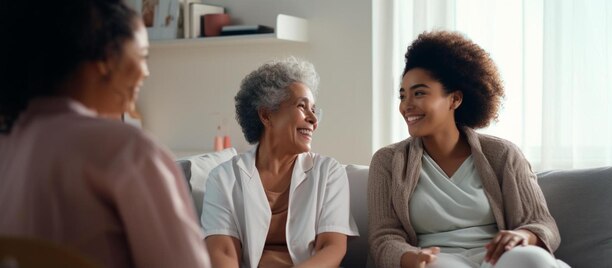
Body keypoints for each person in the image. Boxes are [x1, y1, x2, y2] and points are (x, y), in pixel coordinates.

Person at [0, 0, 209, 267]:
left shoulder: (7, 144)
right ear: (107, 58)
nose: (146, 72)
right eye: (143, 56)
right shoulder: (127, 150)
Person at [367, 31, 569, 268]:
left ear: (455, 99)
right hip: (435, 260)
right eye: (403, 96)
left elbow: (543, 224)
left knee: (532, 259)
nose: (406, 106)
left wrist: (524, 235)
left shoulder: (503, 155)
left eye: (419, 93)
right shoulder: (388, 161)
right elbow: (384, 237)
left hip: (499, 259)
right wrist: (412, 258)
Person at [201, 57, 359, 268]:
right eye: (302, 106)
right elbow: (223, 253)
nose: (313, 119)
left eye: (314, 109)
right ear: (267, 115)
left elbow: (332, 249)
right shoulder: (223, 178)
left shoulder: (328, 172)